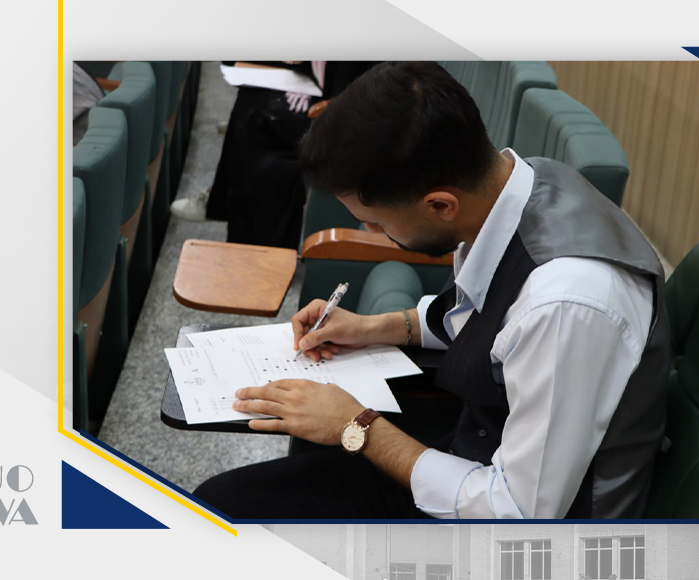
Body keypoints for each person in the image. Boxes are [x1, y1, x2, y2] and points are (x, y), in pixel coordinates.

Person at [193, 61, 670, 519]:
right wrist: (373, 327)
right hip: (473, 460)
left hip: (514, 534)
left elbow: (516, 513)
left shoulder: (565, 304)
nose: (372, 231)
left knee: (221, 511)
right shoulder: (516, 184)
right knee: (220, 502)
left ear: (440, 205)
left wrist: (354, 426)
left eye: (374, 221)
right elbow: (488, 322)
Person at [171, 61, 377, 249]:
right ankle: (223, 204)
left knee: (255, 123)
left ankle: (247, 238)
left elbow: (352, 88)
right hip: (316, 83)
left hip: (335, 112)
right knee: (250, 101)